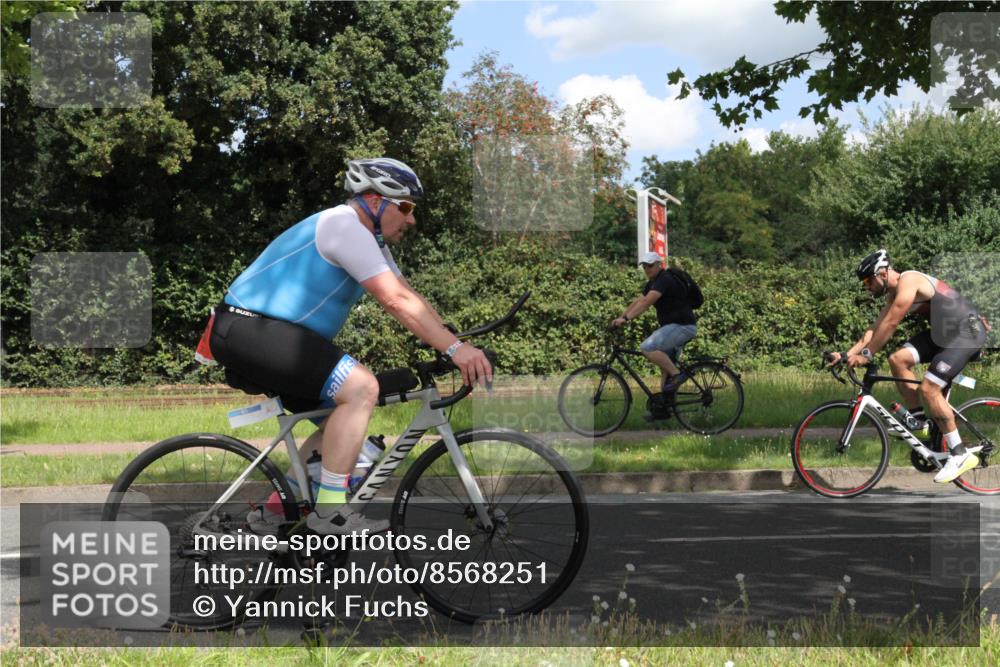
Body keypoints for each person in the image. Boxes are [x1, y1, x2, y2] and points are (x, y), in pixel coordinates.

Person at [206, 157, 492, 535]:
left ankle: (272, 516)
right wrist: (456, 351)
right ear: (375, 202)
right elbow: (395, 301)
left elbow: (410, 296)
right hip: (247, 328)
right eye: (405, 207)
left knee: (348, 438)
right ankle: (329, 514)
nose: (411, 219)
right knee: (361, 388)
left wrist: (453, 342)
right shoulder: (344, 225)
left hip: (271, 335)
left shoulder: (368, 240)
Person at [830, 249, 988, 483]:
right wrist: (846, 354)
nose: (866, 286)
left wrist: (867, 354)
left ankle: (959, 453)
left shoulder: (909, 281)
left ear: (883, 273)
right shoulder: (892, 295)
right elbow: (873, 330)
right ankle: (919, 421)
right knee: (897, 359)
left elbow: (892, 322)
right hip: (943, 334)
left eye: (868, 280)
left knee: (929, 389)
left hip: (967, 332)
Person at [611, 251, 698, 401]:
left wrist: (626, 318)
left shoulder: (664, 279)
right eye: (644, 266)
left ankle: (678, 375)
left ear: (659, 265)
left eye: (650, 265)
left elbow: (647, 303)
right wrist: (621, 317)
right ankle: (664, 408)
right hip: (674, 327)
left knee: (647, 347)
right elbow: (639, 301)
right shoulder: (653, 282)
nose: (647, 269)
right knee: (665, 370)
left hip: (682, 326)